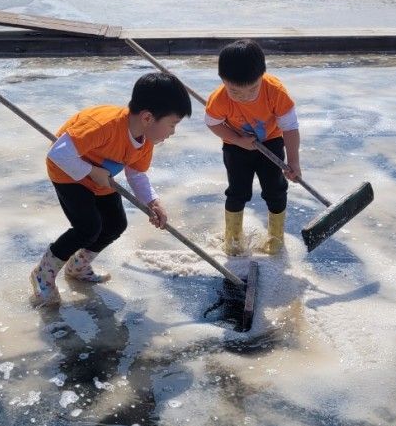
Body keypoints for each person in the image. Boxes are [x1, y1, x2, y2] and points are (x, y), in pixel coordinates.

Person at [30, 73, 192, 305]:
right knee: (88, 227)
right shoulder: (103, 125)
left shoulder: (145, 141)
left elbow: (136, 172)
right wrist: (92, 172)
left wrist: (152, 202)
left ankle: (78, 266)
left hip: (102, 181)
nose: (173, 132)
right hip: (68, 174)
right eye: (172, 124)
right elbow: (58, 154)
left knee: (116, 224)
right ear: (147, 117)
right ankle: (43, 273)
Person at [204, 40, 301, 256]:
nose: (245, 96)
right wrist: (238, 140)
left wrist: (293, 162)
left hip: (271, 142)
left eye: (253, 89)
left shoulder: (276, 92)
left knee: (275, 190)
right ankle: (233, 240)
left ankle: (276, 239)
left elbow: (291, 128)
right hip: (236, 147)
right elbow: (213, 123)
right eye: (236, 92)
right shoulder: (219, 99)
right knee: (237, 192)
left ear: (263, 76)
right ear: (223, 81)